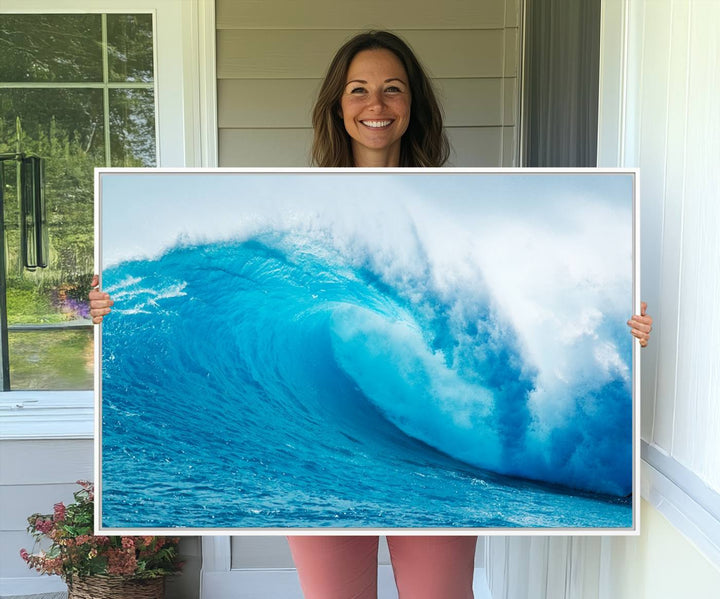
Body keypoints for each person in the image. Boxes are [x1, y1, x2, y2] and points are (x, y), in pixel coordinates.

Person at [89, 30, 653, 599]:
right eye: (358, 90)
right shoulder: (297, 202)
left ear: (413, 105)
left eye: (392, 90)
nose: (376, 105)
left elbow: (530, 294)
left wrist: (625, 332)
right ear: (338, 105)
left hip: (440, 473)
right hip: (320, 463)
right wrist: (104, 308)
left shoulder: (458, 203)